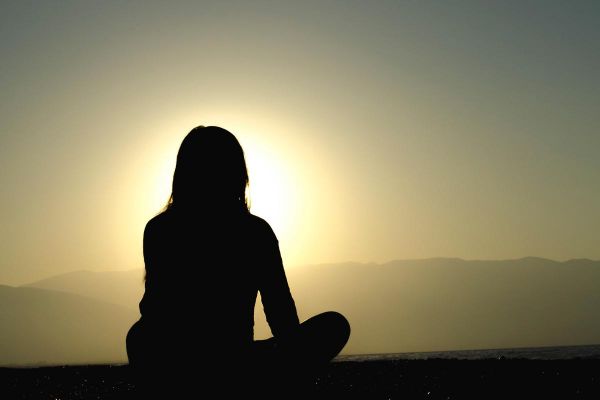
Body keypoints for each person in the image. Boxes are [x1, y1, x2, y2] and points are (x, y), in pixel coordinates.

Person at [126, 126, 350, 395]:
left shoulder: (159, 229)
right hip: (234, 362)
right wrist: (293, 360)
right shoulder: (255, 232)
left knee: (139, 336)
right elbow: (281, 314)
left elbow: (154, 310)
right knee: (334, 326)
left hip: (178, 363)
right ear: (237, 174)